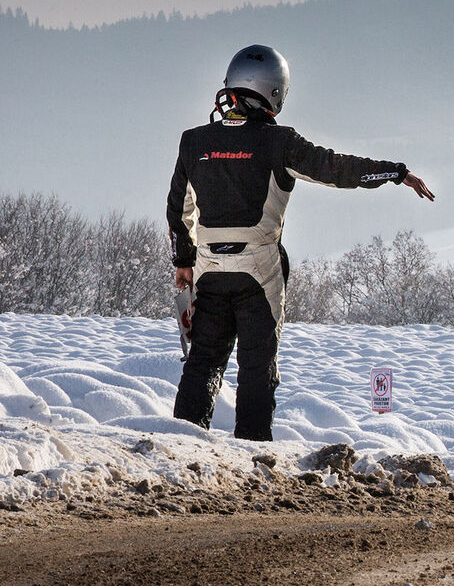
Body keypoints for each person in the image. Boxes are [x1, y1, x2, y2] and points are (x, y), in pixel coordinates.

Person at [167, 45, 435, 440]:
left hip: (208, 272)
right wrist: (394, 172)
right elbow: (336, 169)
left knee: (203, 363)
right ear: (276, 92)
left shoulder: (193, 142)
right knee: (257, 368)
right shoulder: (280, 142)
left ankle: (178, 444)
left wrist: (183, 262)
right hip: (259, 273)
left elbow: (178, 210)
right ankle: (252, 450)